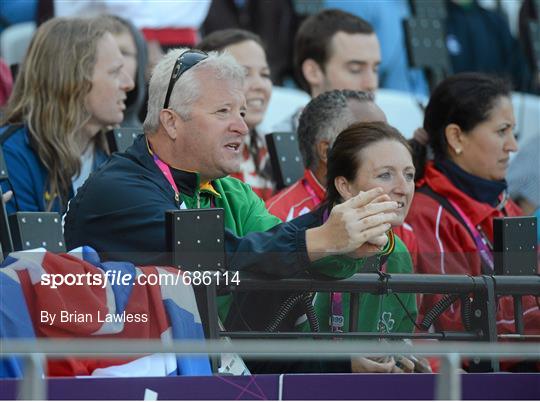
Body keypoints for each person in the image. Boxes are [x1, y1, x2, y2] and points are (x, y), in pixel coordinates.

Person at [64, 48, 400, 323]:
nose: (241, 126)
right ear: (171, 121)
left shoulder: (233, 192)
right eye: (224, 111)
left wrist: (342, 239)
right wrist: (320, 238)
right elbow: (213, 264)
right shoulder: (120, 191)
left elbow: (275, 261)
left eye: (241, 112)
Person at [406, 72, 540, 338]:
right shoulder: (426, 213)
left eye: (513, 131)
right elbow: (458, 325)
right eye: (502, 131)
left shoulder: (503, 205)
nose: (513, 146)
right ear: (456, 137)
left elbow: (527, 298)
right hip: (480, 376)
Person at [293, 121, 419, 373]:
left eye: (409, 175)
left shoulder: (400, 252)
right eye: (385, 175)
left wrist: (402, 362)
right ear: (345, 187)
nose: (403, 189)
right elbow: (269, 355)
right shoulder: (304, 243)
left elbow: (401, 336)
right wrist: (339, 365)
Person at [266, 89, 418, 263]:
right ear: (326, 152)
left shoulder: (402, 227)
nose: (386, 143)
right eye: (368, 135)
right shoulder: (280, 217)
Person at [0, 17, 134, 213]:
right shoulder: (11, 154)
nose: (129, 83)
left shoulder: (122, 151)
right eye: (115, 72)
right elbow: (30, 243)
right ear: (74, 82)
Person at [272, 8, 381, 133]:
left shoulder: (391, 143)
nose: (371, 83)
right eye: (355, 69)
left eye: (375, 69)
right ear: (313, 72)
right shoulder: (281, 146)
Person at [198, 29, 274, 200]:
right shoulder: (195, 154)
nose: (260, 85)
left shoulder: (274, 150)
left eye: (265, 74)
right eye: (244, 73)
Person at [100, 14, 148, 129]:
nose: (117, 60)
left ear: (140, 61)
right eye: (107, 51)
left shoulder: (150, 141)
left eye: (124, 52)